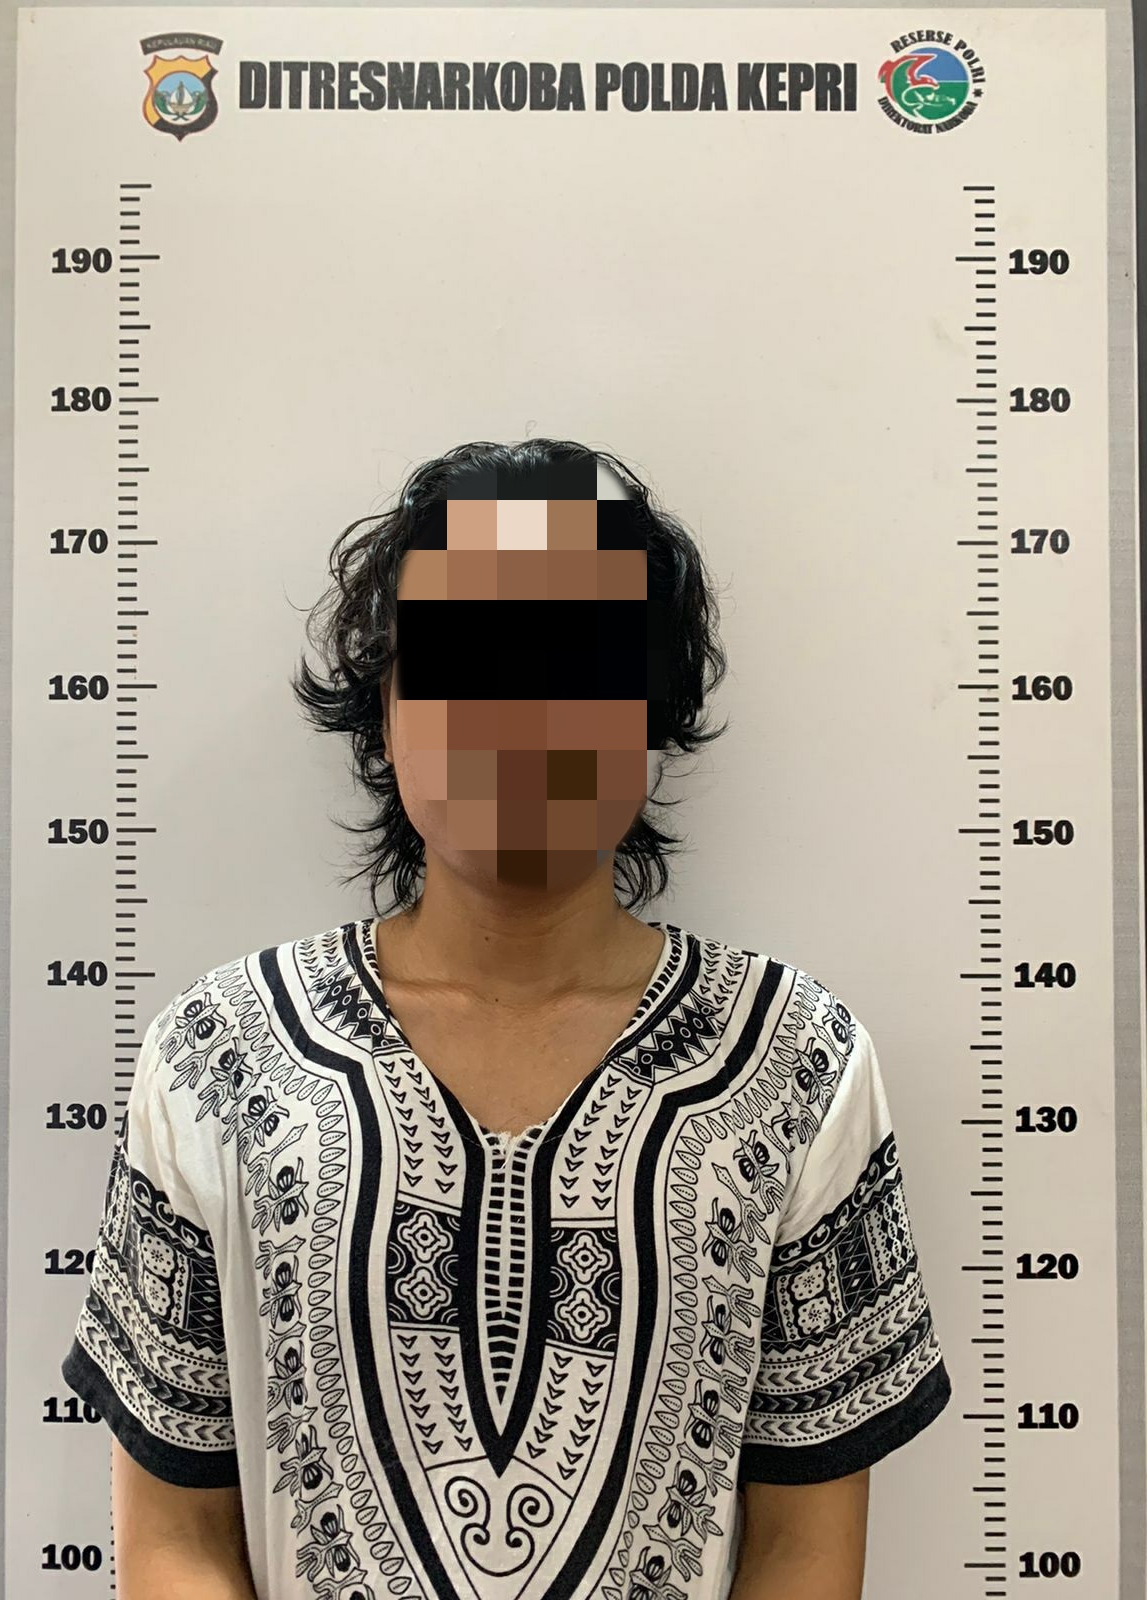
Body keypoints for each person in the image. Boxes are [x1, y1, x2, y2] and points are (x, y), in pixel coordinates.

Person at [60, 438, 952, 1600]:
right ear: (384, 712)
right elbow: (173, 1536)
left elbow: (804, 1551)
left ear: (651, 710)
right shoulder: (217, 1057)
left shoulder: (794, 1061)